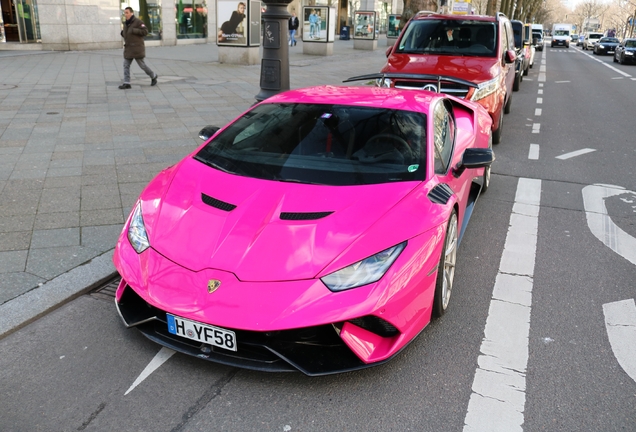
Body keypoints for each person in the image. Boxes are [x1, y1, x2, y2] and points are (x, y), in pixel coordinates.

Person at [119, 7, 157, 89]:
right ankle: (127, 83)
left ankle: (153, 76)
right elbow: (128, 34)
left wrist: (135, 30)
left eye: (127, 12)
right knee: (126, 65)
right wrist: (123, 33)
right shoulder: (126, 23)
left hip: (137, 48)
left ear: (131, 13)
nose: (125, 14)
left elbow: (145, 31)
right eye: (124, 13)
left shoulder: (138, 22)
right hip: (129, 48)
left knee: (142, 65)